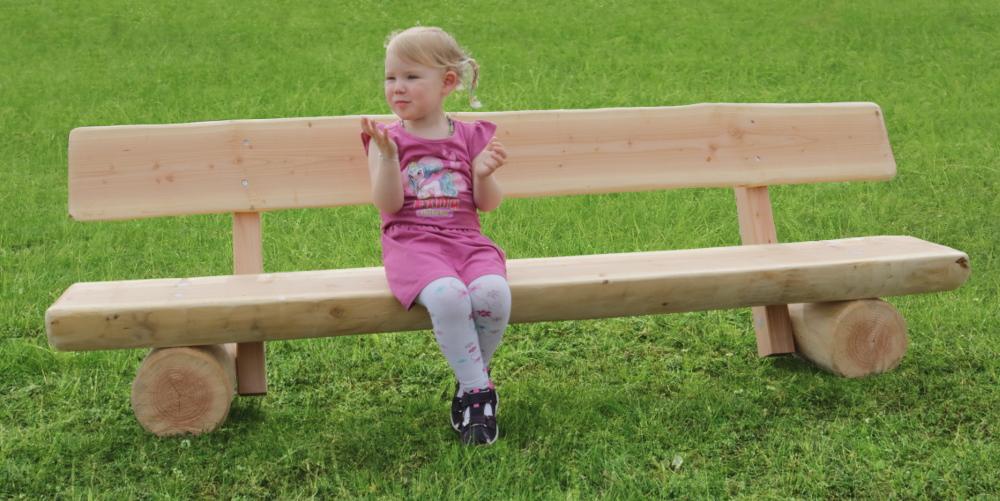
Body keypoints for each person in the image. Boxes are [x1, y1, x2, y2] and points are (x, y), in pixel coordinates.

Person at [359, 26, 510, 446]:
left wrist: (484, 175)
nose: (397, 88)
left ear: (447, 83)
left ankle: (469, 383)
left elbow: (488, 204)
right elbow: (387, 205)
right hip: (413, 245)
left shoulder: (469, 137)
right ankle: (479, 394)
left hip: (466, 241)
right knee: (447, 296)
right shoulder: (387, 141)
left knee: (494, 294)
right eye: (391, 77)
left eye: (411, 77)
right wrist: (389, 159)